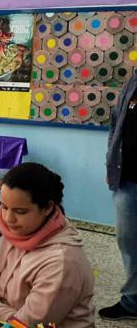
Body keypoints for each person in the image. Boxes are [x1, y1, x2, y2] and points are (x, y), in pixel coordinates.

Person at [0, 162, 94, 327]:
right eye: (4, 207)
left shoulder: (61, 262)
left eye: (20, 211)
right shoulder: (20, 230)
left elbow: (27, 324)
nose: (8, 219)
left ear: (47, 207)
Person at [100, 70, 137, 321]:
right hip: (127, 179)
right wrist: (111, 161)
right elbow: (116, 122)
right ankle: (132, 302)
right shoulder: (134, 80)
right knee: (128, 242)